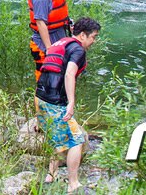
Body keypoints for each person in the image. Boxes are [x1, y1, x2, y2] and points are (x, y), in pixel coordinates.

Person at [35, 17, 101, 195]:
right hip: (55, 102)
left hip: (40, 97)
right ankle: (73, 184)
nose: (94, 41)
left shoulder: (62, 42)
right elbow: (70, 73)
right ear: (82, 35)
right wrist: (71, 102)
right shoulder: (78, 50)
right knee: (76, 139)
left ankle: (51, 174)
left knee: (55, 136)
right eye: (93, 37)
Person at [29, 0, 71, 78]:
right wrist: (49, 50)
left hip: (58, 37)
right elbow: (40, 22)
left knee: (57, 80)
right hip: (44, 44)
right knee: (45, 83)